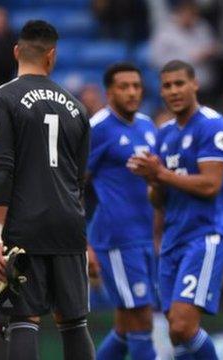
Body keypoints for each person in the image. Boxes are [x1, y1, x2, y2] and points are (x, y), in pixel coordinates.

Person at [0, 20, 94, 360]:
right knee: (74, 321)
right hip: (69, 225)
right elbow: (78, 179)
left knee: (24, 319)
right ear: (52, 56)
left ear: (17, 51)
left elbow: (2, 170)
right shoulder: (79, 106)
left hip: (26, 226)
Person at [128, 60, 223, 360]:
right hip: (173, 240)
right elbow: (157, 199)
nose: (173, 91)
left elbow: (211, 185)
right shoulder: (163, 135)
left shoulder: (213, 126)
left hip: (205, 235)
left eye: (179, 83)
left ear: (194, 84)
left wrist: (160, 174)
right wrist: (152, 179)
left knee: (183, 325)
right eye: (167, 85)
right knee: (176, 333)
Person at [88, 63, 157, 360]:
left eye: (136, 86)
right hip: (116, 240)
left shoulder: (147, 125)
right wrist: (85, 243)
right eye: (124, 86)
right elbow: (74, 185)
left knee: (126, 326)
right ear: (109, 92)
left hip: (144, 236)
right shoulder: (97, 128)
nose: (131, 92)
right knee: (142, 319)